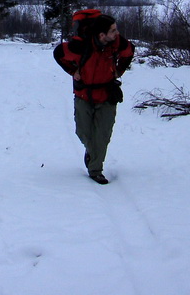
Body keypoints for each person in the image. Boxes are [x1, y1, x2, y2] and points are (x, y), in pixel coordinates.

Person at [53, 13, 134, 184]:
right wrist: (72, 72)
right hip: (84, 95)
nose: (117, 33)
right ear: (101, 35)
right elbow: (59, 53)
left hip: (107, 95)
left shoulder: (117, 43)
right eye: (113, 30)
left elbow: (129, 51)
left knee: (102, 135)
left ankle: (95, 170)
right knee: (83, 132)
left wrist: (120, 70)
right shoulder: (79, 47)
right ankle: (92, 152)